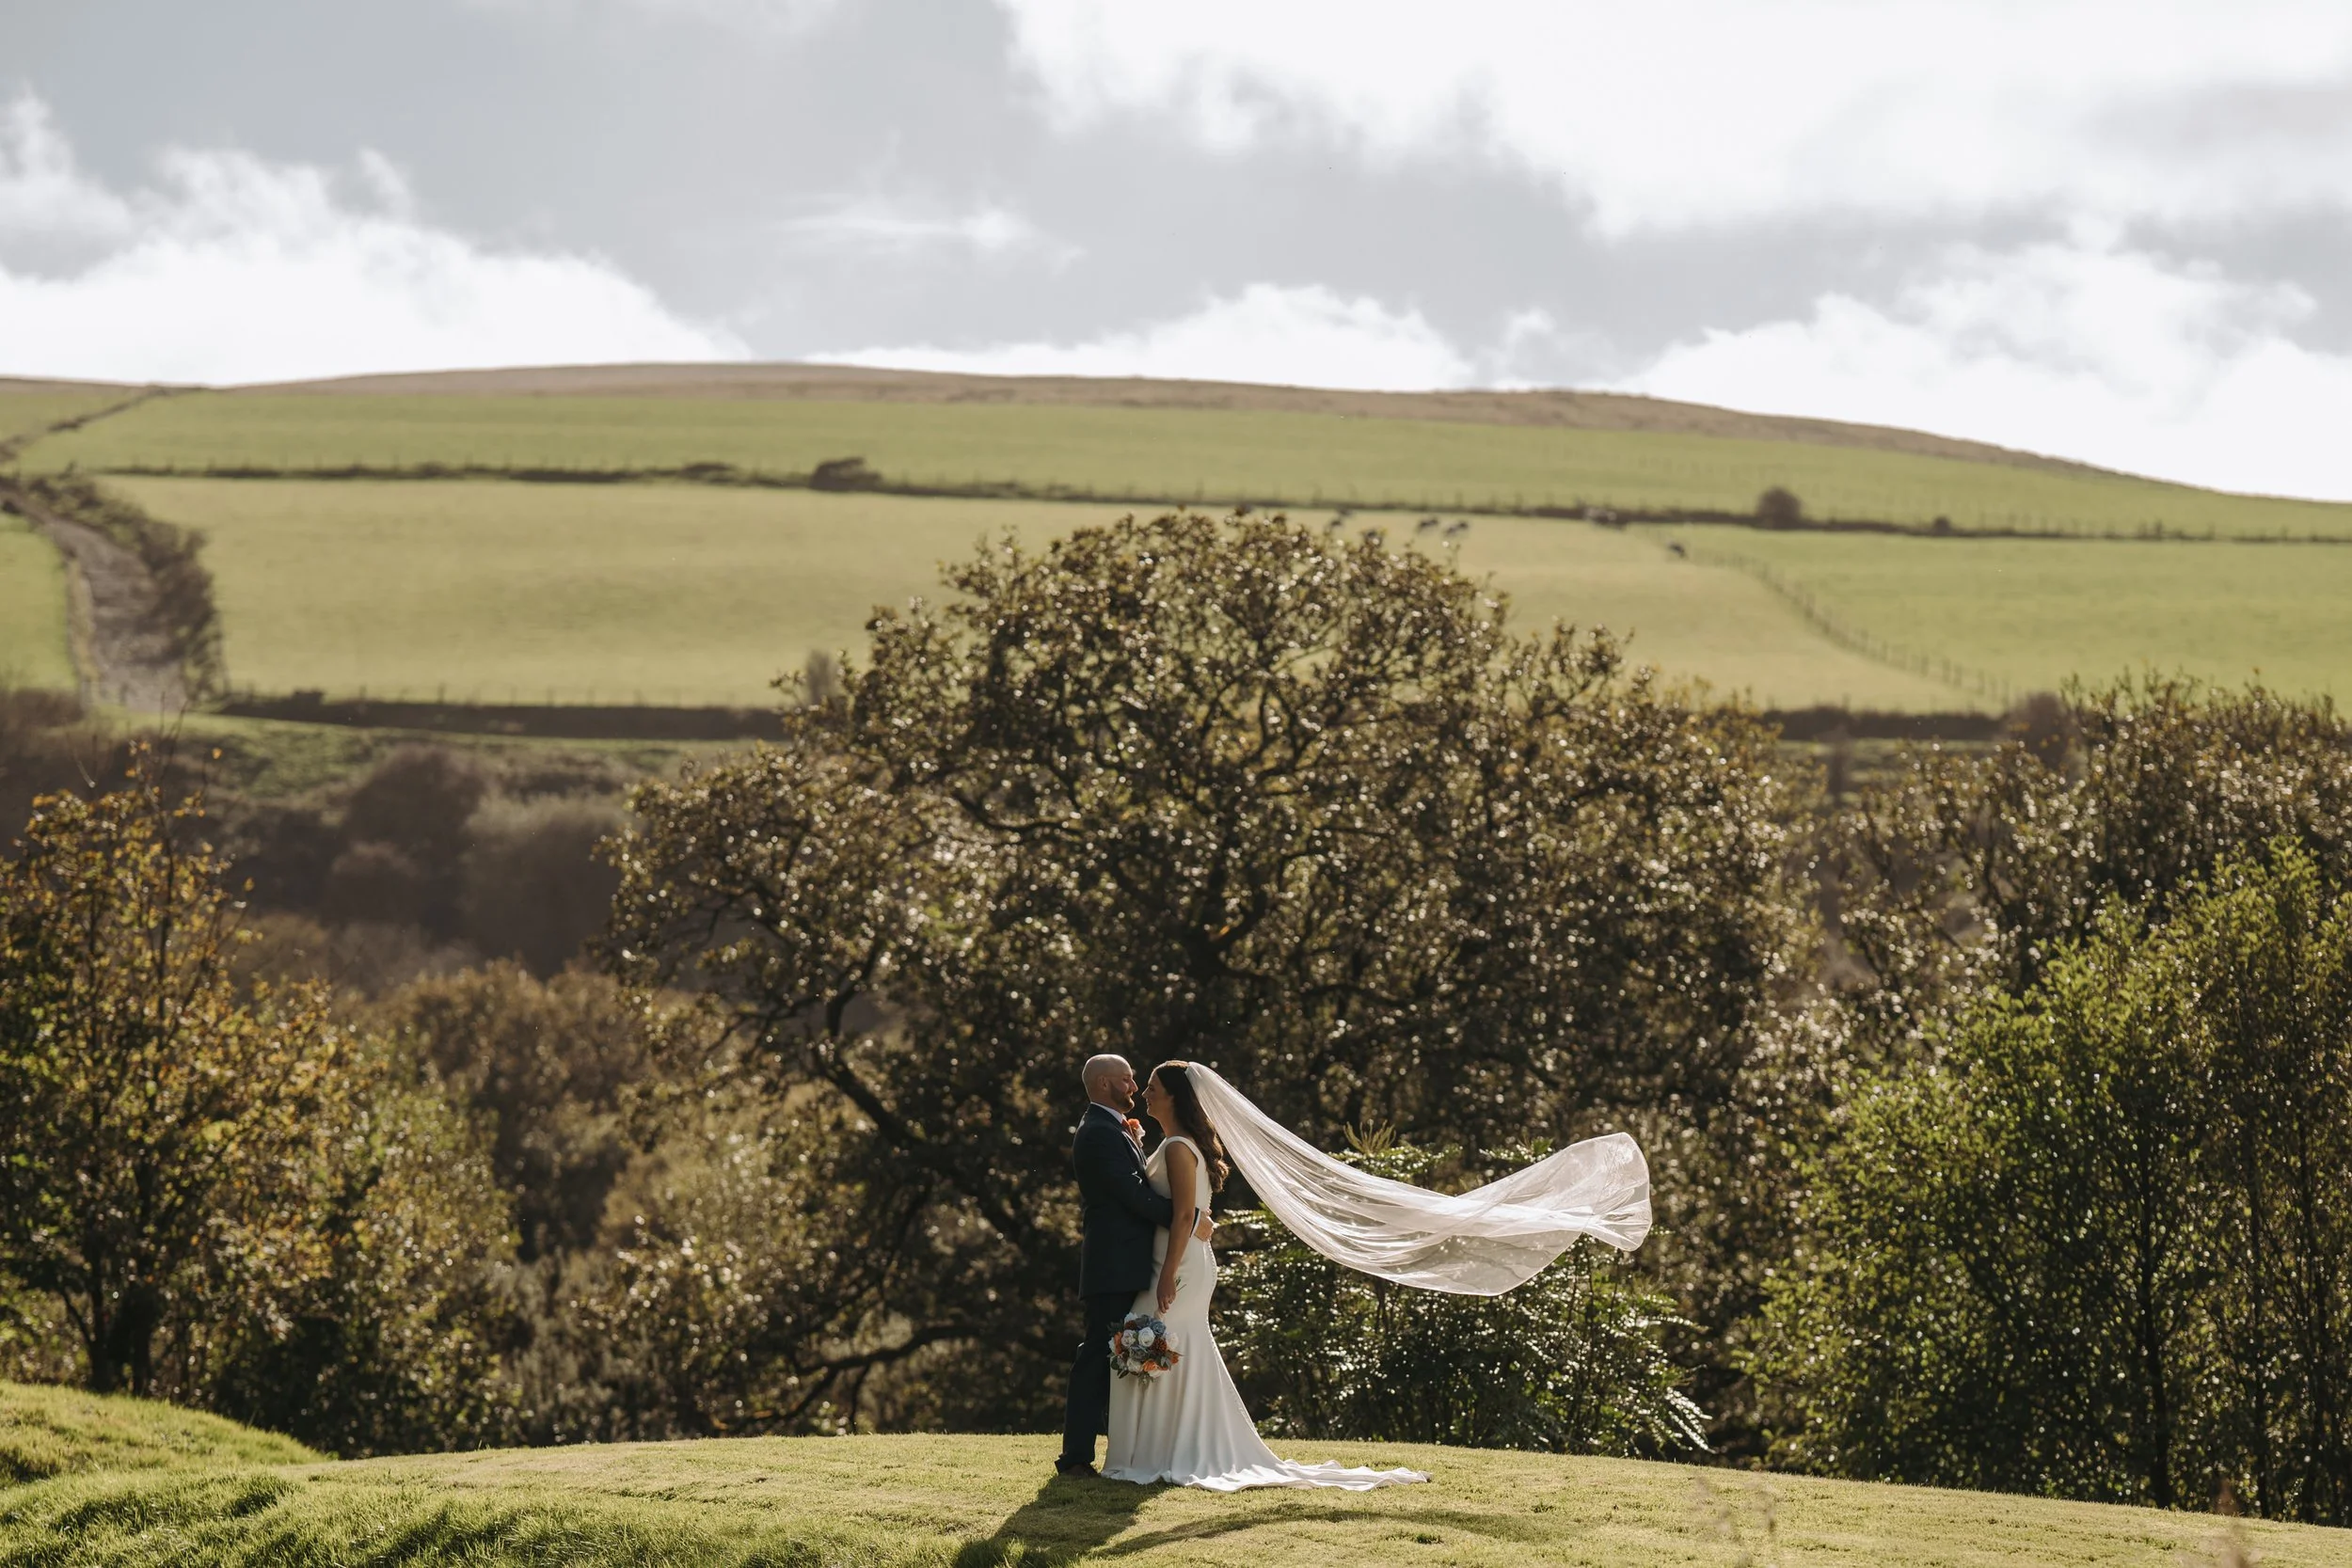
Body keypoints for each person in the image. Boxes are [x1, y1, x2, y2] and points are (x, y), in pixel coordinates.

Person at [1099, 1060, 1427, 1492]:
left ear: (1176, 1096)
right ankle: (1161, 1448)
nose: (1145, 1092)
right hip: (1175, 1261)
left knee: (1155, 1342)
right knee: (1169, 1349)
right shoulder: (1173, 1143)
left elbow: (1182, 1216)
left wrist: (1168, 1275)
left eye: (1155, 1086)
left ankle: (1164, 1452)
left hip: (1177, 1267)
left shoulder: (1180, 1147)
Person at [1056, 1053, 1175, 1478]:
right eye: (1127, 1080)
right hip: (1112, 1264)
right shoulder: (1098, 1133)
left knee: (1113, 1357)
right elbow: (1132, 1196)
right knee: (1095, 1358)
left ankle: (1122, 1447)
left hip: (1126, 1261)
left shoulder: (1112, 1128)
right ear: (1105, 1084)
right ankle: (1074, 1459)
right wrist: (1187, 1218)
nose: (1134, 1088)